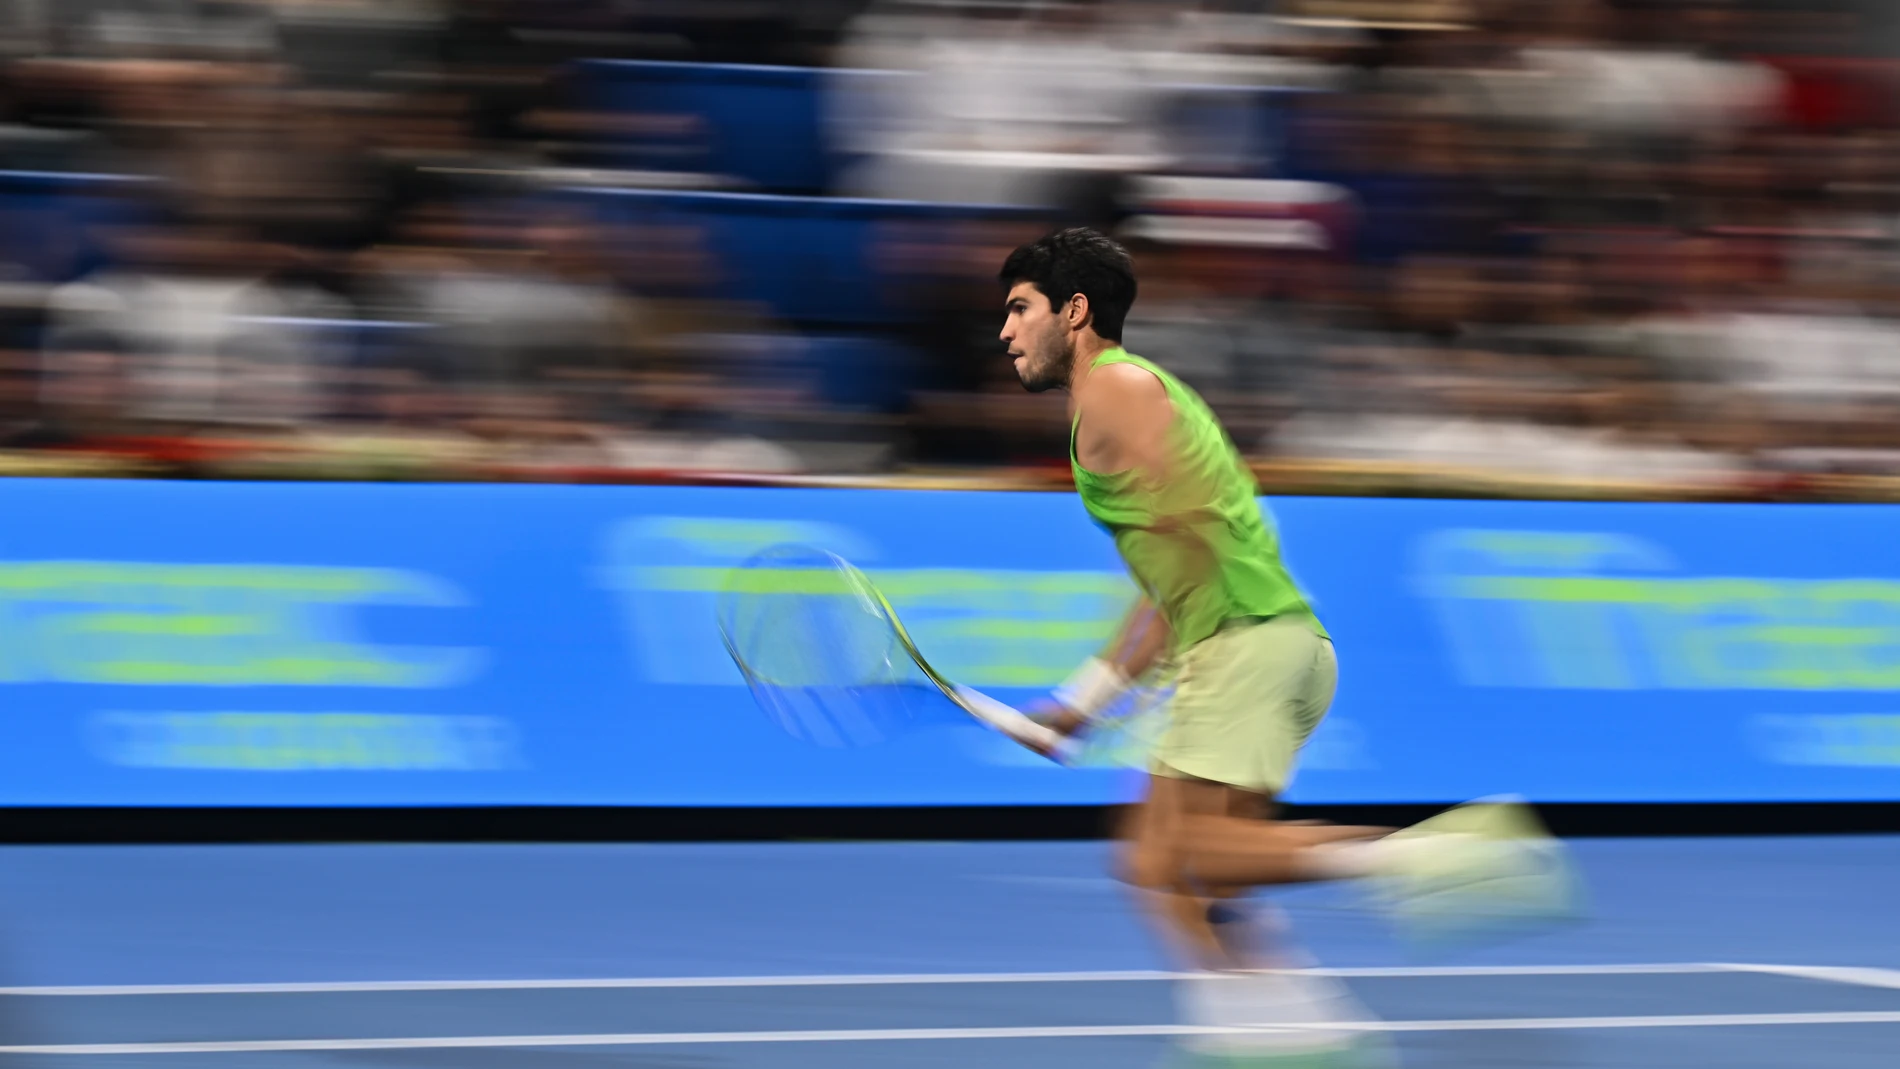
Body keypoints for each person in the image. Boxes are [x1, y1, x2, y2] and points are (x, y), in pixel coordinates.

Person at [997, 227, 1578, 1066]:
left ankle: (1439, 855)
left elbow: (1188, 532)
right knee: (1158, 861)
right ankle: (1291, 1030)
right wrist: (1085, 702)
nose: (1006, 330)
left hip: (1245, 642)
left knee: (1201, 851)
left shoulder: (1113, 389)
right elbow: (1169, 572)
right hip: (1272, 642)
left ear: (1075, 311)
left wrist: (1129, 686)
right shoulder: (1122, 393)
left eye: (1021, 308)